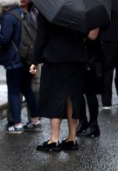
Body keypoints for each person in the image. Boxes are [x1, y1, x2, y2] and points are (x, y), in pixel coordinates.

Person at [30, 15, 91, 153]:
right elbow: (86, 33)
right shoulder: (79, 8)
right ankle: (71, 138)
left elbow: (41, 37)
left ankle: (54, 139)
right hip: (77, 58)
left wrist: (35, 61)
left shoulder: (48, 9)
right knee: (73, 97)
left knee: (55, 95)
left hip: (55, 58)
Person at [0, 0, 41, 133]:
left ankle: (17, 123)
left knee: (13, 91)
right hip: (27, 59)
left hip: (13, 60)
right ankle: (35, 120)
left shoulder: (8, 17)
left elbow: (5, 38)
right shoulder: (25, 13)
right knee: (27, 90)